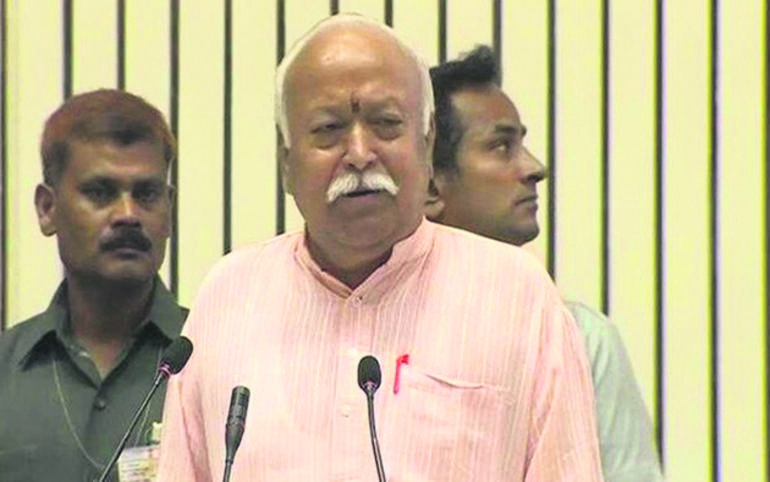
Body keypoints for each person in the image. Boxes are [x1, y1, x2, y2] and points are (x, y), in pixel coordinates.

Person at [158, 13, 603, 481]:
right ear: (286, 161)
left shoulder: (517, 296)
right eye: (328, 129)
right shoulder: (229, 296)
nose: (359, 154)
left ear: (427, 143)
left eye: (386, 124)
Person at [426, 45, 665, 482]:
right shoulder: (370, 342)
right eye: (501, 146)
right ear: (429, 186)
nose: (535, 168)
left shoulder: (579, 339)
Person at [0, 89, 187, 482]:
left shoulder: (216, 362)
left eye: (147, 194)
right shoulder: (6, 371)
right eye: (100, 193)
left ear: (168, 210)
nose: (128, 214)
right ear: (47, 208)